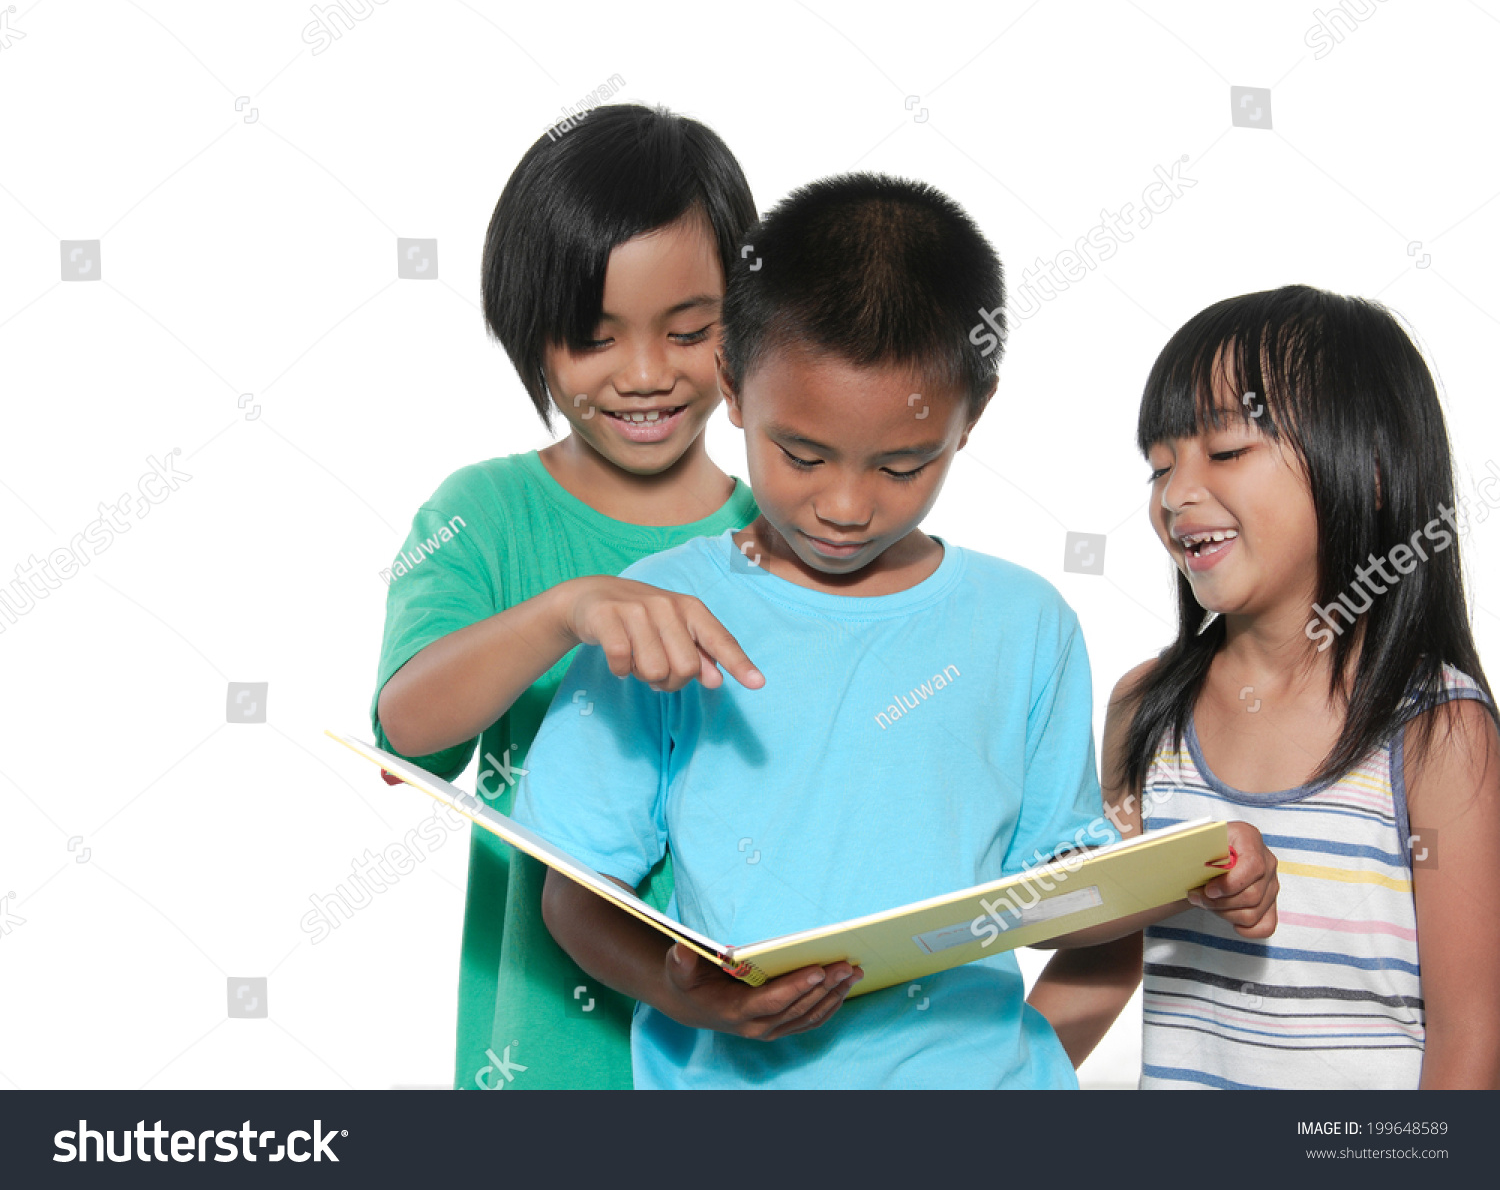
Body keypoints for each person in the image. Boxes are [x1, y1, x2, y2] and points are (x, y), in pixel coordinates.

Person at [511, 173, 1279, 1089]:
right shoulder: (658, 611)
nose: (844, 505)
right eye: (802, 455)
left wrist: (1177, 879)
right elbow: (575, 892)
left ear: (972, 417)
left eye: (903, 464)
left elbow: (1060, 893)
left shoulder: (1025, 623)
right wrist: (693, 1000)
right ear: (732, 386)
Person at [371, 104, 767, 1090]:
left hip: (752, 1043)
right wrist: (567, 610)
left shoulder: (790, 528)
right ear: (531, 336)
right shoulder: (485, 513)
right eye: (594, 339)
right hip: (546, 1049)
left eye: (688, 331)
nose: (645, 375)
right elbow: (409, 733)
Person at [1042, 285, 1500, 1089]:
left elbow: (1473, 1032)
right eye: (1159, 465)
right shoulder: (1146, 707)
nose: (1176, 494)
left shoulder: (1438, 730)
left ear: (1374, 468)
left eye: (1223, 452)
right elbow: (1104, 957)